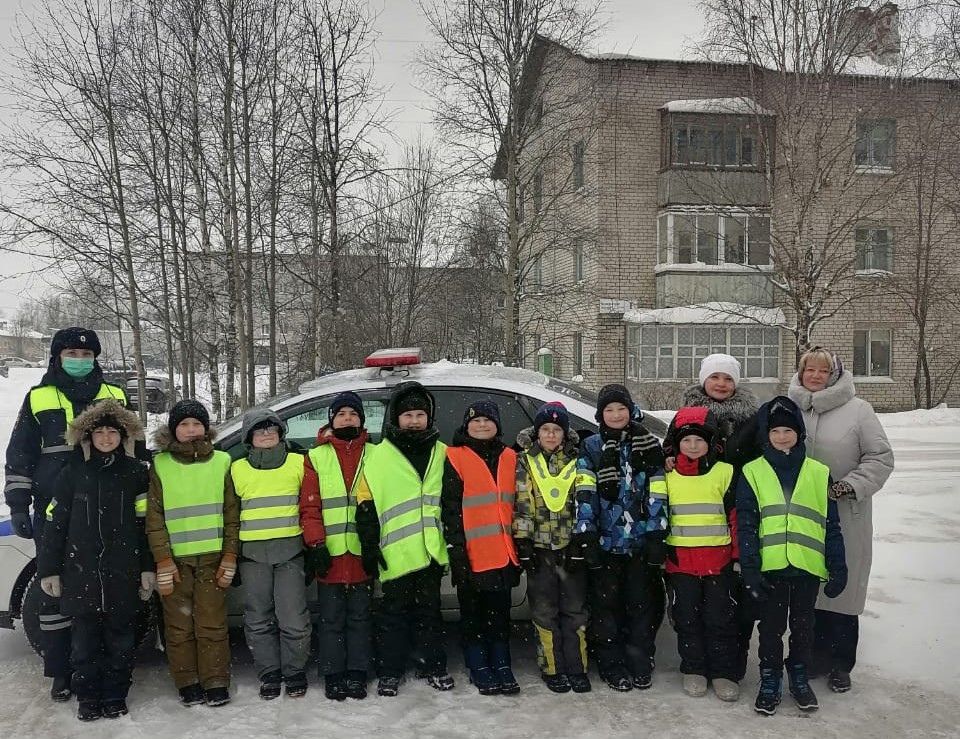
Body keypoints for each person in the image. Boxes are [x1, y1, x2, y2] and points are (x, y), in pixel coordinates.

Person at [3, 327, 130, 701]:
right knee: (54, 590)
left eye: (87, 354)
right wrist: (17, 504)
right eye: (72, 353)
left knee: (104, 592)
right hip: (55, 509)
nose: (80, 359)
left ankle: (100, 669)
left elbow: (134, 450)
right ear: (57, 356)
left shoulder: (116, 395)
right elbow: (20, 453)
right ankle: (61, 671)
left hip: (108, 509)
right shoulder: (39, 397)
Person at [36, 399, 153, 721]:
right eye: (98, 432)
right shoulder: (72, 472)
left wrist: (147, 568)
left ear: (122, 436)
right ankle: (88, 697)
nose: (105, 438)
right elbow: (56, 525)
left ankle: (115, 695)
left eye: (111, 432)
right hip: (80, 573)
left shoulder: (136, 473)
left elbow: (145, 527)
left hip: (123, 572)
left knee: (121, 640)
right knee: (84, 644)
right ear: (87, 437)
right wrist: (49, 570)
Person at [787, 348, 894, 693]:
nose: (815, 376)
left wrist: (851, 485)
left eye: (823, 370)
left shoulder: (858, 410)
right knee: (807, 590)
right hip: (801, 517)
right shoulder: (788, 408)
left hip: (846, 513)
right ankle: (812, 658)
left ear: (835, 374)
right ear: (800, 372)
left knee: (842, 591)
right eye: (809, 370)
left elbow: (880, 457)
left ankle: (840, 664)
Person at [737, 396, 848, 715]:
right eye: (776, 431)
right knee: (770, 629)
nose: (782, 436)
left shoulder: (818, 471)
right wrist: (750, 568)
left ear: (799, 433)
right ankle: (770, 677)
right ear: (766, 435)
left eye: (788, 430)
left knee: (803, 627)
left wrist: (837, 566)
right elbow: (746, 523)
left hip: (806, 568)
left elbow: (831, 524)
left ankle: (799, 674)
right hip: (770, 568)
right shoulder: (752, 471)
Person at [664, 353, 761, 682]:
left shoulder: (751, 418)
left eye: (728, 378)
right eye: (715, 377)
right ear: (703, 380)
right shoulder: (685, 416)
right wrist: (669, 460)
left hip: (735, 516)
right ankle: (696, 667)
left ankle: (729, 668)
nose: (721, 384)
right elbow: (669, 448)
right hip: (688, 544)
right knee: (690, 613)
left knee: (729, 610)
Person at [354, 381, 454, 696]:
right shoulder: (377, 456)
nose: (413, 420)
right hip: (393, 554)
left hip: (430, 552)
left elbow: (452, 502)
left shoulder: (443, 452)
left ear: (429, 417)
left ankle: (433, 665)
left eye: (420, 414)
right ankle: (390, 672)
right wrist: (369, 544)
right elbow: (365, 504)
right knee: (392, 617)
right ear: (396, 419)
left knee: (429, 613)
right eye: (408, 414)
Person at [146, 400, 239, 707]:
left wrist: (230, 555)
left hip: (213, 562)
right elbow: (155, 518)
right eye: (184, 425)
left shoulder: (222, 461)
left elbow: (231, 514)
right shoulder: (160, 465)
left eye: (196, 424)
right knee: (179, 627)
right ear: (174, 430)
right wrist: (162, 559)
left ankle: (215, 681)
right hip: (175, 563)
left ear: (206, 428)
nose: (190, 430)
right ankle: (187, 681)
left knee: (212, 624)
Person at [574, 383, 667, 691]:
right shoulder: (591, 447)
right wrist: (587, 536)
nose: (616, 414)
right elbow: (584, 493)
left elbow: (658, 489)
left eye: (621, 409)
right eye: (610, 410)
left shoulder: (648, 444)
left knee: (641, 606)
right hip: (606, 543)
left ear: (631, 411)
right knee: (606, 608)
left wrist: (656, 533)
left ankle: (640, 660)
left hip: (640, 543)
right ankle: (611, 663)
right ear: (601, 415)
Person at [441, 400, 520, 696]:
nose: (482, 425)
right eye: (476, 421)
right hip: (472, 555)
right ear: (466, 425)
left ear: (497, 425)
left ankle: (502, 663)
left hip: (504, 553)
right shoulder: (455, 457)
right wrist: (457, 552)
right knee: (472, 613)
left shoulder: (511, 456)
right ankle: (478, 665)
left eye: (488, 420)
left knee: (500, 614)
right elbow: (450, 510)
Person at [231, 409, 311, 700]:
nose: (266, 434)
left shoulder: (298, 463)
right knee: (258, 619)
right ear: (249, 437)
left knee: (293, 618)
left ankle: (294, 671)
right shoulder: (236, 469)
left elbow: (310, 506)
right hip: (252, 556)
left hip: (290, 552)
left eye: (272, 429)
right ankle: (269, 673)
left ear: (281, 434)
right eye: (259, 429)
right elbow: (231, 513)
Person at [662, 407, 739, 701]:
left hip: (717, 562)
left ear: (711, 442)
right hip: (680, 563)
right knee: (686, 618)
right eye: (686, 441)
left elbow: (735, 518)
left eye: (699, 440)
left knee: (719, 618)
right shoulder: (667, 475)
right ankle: (693, 667)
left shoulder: (725, 472)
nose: (693, 446)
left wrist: (737, 557)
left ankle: (722, 672)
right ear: (676, 444)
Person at [300, 391, 374, 701]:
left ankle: (358, 671)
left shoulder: (375, 454)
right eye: (341, 414)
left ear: (361, 420)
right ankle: (332, 672)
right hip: (329, 553)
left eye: (353, 414)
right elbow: (309, 507)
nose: (347, 418)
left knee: (360, 617)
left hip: (361, 552)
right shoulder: (316, 456)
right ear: (331, 420)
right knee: (330, 619)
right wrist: (316, 544)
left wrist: (373, 543)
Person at [513, 402, 591, 694]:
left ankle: (577, 667)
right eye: (545, 429)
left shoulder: (578, 460)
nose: (550, 435)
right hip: (540, 548)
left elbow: (583, 501)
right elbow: (522, 501)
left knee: (575, 610)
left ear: (564, 433)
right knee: (544, 611)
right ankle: (552, 667)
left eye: (556, 430)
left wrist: (581, 541)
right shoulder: (525, 461)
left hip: (570, 547)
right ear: (537, 433)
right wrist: (523, 542)